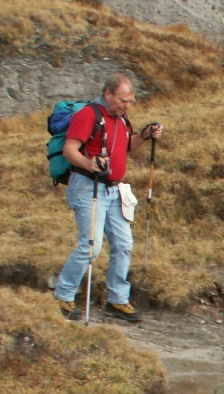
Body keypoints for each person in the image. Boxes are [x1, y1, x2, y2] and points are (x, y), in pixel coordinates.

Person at [54, 73, 163, 322]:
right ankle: (63, 295)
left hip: (114, 189)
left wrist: (145, 135)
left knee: (124, 245)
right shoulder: (89, 115)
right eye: (123, 100)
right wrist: (89, 163)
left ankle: (117, 300)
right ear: (108, 94)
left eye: (131, 101)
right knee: (90, 246)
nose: (127, 105)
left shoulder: (121, 118)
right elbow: (70, 149)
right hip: (88, 186)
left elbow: (127, 145)